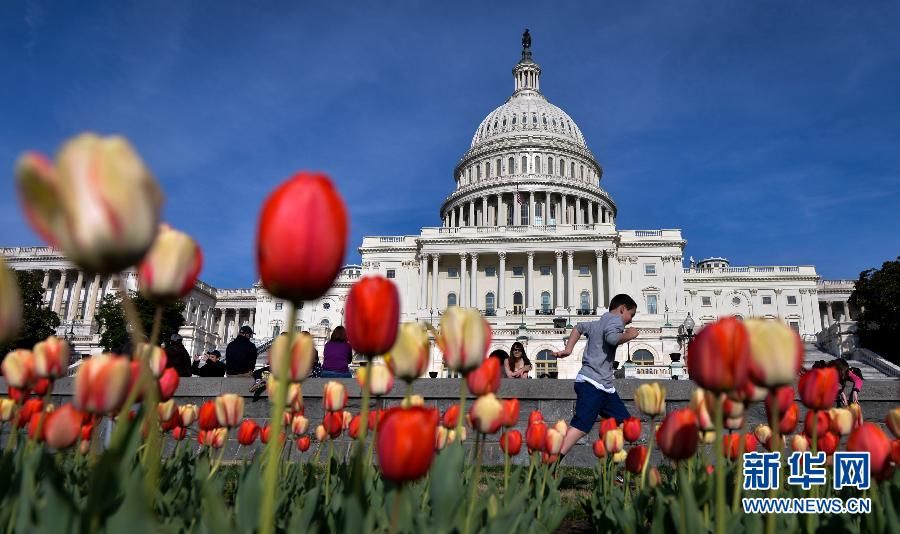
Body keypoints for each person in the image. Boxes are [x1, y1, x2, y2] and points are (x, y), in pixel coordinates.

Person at [553, 293, 639, 458]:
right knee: (581, 425)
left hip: (604, 387)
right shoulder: (616, 321)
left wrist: (568, 349)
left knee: (625, 424)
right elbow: (612, 339)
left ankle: (612, 467)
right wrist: (630, 335)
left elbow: (578, 327)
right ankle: (552, 460)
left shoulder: (598, 322)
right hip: (592, 383)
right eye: (631, 314)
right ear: (622, 309)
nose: (630, 320)